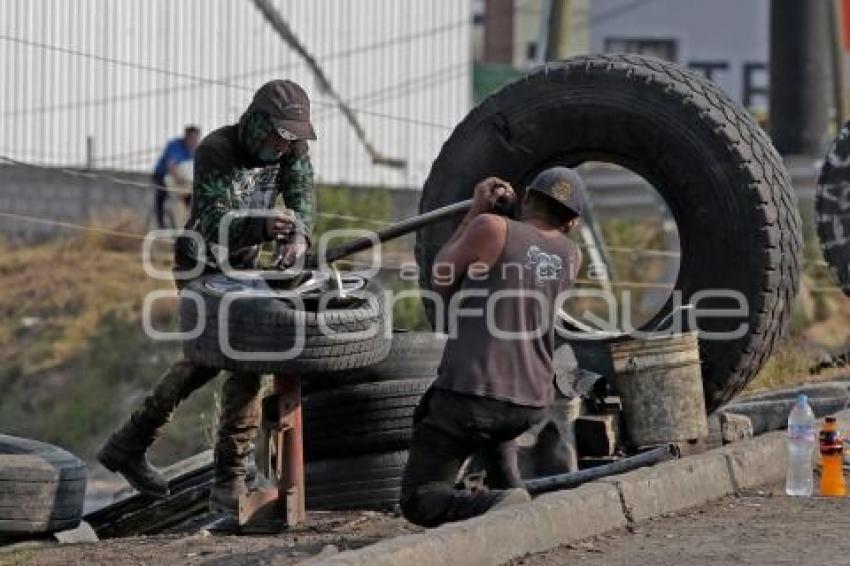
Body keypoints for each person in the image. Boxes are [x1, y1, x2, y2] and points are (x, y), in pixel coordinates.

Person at [98, 80, 316, 514]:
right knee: (234, 357)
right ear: (256, 122)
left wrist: (299, 236)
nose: (281, 145)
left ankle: (135, 445)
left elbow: (303, 195)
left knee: (217, 360)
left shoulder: (293, 149)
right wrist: (261, 225)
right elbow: (212, 217)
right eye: (276, 134)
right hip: (201, 260)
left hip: (245, 267)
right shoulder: (217, 149)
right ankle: (227, 477)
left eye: (290, 138)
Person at [400, 168, 584, 527]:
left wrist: (477, 210)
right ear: (573, 222)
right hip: (529, 401)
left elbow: (441, 278)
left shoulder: (490, 228)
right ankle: (515, 501)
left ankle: (500, 505)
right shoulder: (572, 256)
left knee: (420, 500)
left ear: (527, 197)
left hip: (471, 397)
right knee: (497, 438)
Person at [152, 125, 202, 228]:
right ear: (186, 137)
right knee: (162, 193)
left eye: (196, 139)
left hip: (183, 181)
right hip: (162, 175)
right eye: (192, 139)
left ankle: (190, 223)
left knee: (191, 199)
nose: (194, 142)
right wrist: (181, 182)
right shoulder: (175, 145)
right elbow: (171, 166)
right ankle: (161, 222)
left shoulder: (197, 149)